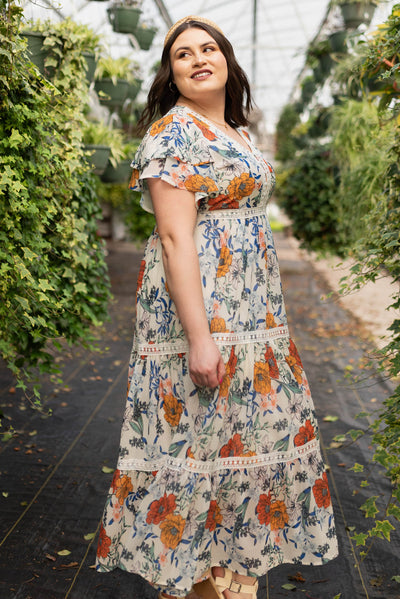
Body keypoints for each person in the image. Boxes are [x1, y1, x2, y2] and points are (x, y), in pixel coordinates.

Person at [95, 15, 338, 599]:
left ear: (227, 60)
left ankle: (235, 579)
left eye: (209, 48)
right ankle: (203, 585)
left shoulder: (236, 131)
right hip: (203, 317)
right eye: (183, 54)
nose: (198, 59)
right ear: (171, 73)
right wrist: (199, 338)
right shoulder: (172, 134)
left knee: (250, 443)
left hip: (255, 318)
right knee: (198, 446)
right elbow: (177, 240)